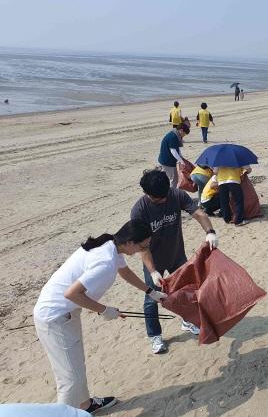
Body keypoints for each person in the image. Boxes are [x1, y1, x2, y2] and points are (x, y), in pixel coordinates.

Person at [33, 220, 166, 413]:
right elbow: (71, 294)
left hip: (67, 314)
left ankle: (85, 405)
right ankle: (65, 413)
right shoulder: (104, 261)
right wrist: (104, 310)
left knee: (76, 365)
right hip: (54, 317)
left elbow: (125, 272)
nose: (143, 250)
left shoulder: (112, 245)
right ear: (129, 242)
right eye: (142, 246)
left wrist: (150, 292)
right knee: (70, 377)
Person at [130, 169, 218, 353]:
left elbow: (198, 213)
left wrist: (210, 232)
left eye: (164, 197)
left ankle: (187, 321)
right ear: (146, 193)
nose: (162, 201)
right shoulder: (139, 210)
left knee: (186, 290)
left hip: (177, 255)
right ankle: (155, 336)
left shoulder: (176, 194)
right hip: (154, 260)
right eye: (157, 199)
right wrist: (153, 271)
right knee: (151, 298)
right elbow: (142, 247)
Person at [157, 123, 190, 189]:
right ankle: (172, 195)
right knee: (174, 179)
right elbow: (173, 151)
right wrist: (181, 161)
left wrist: (181, 158)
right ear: (181, 130)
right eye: (184, 134)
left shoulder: (174, 134)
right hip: (167, 162)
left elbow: (177, 149)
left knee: (167, 178)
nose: (183, 136)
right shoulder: (173, 137)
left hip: (164, 160)